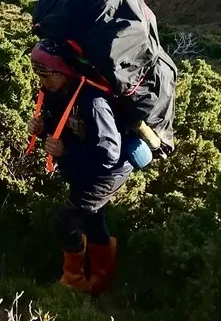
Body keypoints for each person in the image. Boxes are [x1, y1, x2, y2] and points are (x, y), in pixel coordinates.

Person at [27, 39, 134, 295]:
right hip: (87, 166)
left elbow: (109, 153)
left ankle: (73, 283)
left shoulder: (93, 101)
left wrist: (66, 151)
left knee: (65, 222)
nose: (42, 80)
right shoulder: (59, 92)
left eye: (46, 73)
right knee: (94, 220)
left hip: (108, 171)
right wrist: (43, 132)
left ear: (63, 70)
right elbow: (65, 128)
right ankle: (100, 280)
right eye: (38, 73)